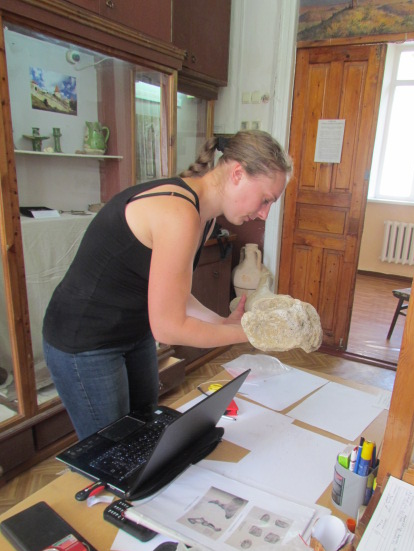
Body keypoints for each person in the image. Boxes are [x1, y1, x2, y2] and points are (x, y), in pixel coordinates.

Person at [43, 129, 292, 440]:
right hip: (85, 340)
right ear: (238, 174)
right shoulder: (179, 213)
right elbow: (168, 328)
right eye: (266, 199)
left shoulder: (204, 217)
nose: (265, 214)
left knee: (144, 433)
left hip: (133, 332)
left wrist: (222, 323)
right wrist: (247, 333)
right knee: (112, 450)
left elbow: (177, 297)